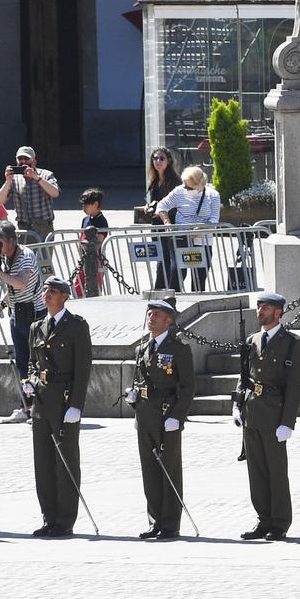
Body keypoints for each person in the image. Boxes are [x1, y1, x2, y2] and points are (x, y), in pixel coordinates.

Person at [24, 274, 94, 537]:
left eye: (53, 291)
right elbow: (33, 362)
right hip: (41, 401)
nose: (47, 294)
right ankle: (48, 516)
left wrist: (77, 404)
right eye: (45, 290)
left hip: (64, 400)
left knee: (65, 461)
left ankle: (65, 519)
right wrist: (30, 381)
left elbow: (83, 367)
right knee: (42, 462)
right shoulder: (37, 327)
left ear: (65, 296)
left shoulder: (76, 326)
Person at [235, 290, 300, 540]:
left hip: (275, 414)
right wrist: (237, 406)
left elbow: (295, 385)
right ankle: (263, 519)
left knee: (276, 471)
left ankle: (280, 522)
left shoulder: (291, 342)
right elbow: (244, 377)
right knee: (257, 471)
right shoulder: (253, 340)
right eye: (259, 307)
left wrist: (288, 422)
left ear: (278, 312)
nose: (260, 311)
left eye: (265, 308)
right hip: (252, 411)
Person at [127, 297, 193, 541]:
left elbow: (187, 387)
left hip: (167, 415)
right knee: (150, 471)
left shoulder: (178, 349)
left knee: (169, 469)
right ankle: (155, 519)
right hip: (145, 415)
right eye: (149, 314)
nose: (151, 319)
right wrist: (132, 396)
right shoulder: (142, 349)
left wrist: (177, 416)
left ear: (169, 320)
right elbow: (139, 380)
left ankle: (170, 523)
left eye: (157, 315)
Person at [0, 220, 41, 418]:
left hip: (34, 315)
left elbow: (20, 283)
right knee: (21, 362)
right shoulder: (6, 257)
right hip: (17, 314)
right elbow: (13, 288)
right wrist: (3, 303)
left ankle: (38, 406)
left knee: (35, 362)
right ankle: (25, 406)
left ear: (12, 240)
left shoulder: (25, 256)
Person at [156, 166, 222, 293]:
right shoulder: (179, 191)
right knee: (177, 274)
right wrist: (167, 222)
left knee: (199, 278)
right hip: (181, 240)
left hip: (203, 242)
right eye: (184, 185)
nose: (185, 188)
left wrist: (198, 231)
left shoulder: (213, 195)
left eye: (189, 187)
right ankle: (172, 303)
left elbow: (214, 219)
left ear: (199, 184)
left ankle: (197, 303)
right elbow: (161, 206)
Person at [2, 145, 60, 238]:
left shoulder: (46, 175)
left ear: (34, 161)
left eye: (27, 158)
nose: (23, 161)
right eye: (20, 159)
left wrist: (36, 177)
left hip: (44, 228)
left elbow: (55, 193)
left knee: (44, 253)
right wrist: (7, 181)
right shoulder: (13, 179)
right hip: (24, 229)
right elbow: (0, 201)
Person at [144, 146, 183, 285]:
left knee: (171, 258)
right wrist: (149, 206)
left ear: (169, 161)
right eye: (154, 158)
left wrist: (159, 210)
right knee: (160, 257)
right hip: (158, 225)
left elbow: (175, 205)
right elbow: (155, 201)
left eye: (161, 158)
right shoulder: (154, 181)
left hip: (170, 224)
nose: (157, 161)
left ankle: (170, 288)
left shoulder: (174, 181)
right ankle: (159, 287)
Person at [74, 189, 109, 296]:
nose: (83, 208)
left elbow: (97, 242)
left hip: (96, 260)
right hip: (83, 259)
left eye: (86, 205)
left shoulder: (101, 221)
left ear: (96, 204)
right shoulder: (85, 219)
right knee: (78, 286)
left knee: (95, 288)